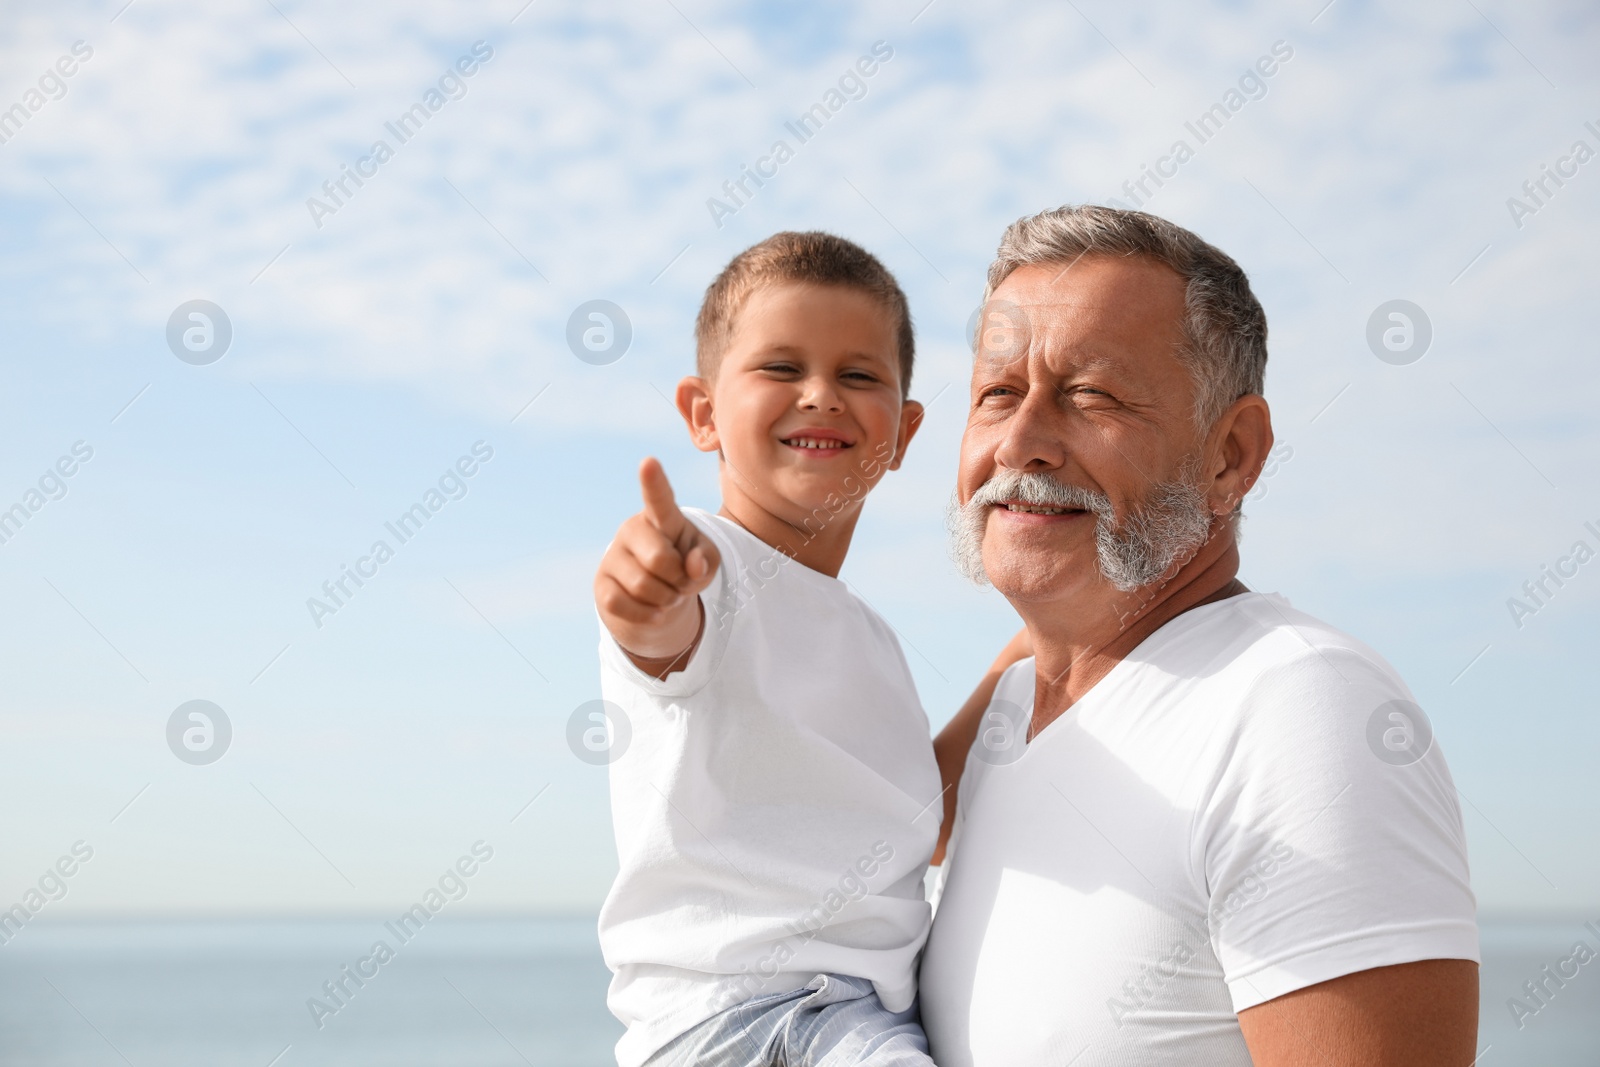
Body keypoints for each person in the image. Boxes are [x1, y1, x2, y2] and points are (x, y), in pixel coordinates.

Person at [918, 205, 1480, 1066]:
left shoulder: (1303, 711)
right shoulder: (1004, 716)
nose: (1021, 442)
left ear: (1231, 455)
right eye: (997, 393)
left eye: (1091, 396)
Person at [593, 232, 943, 1067]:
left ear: (903, 431)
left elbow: (924, 809)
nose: (821, 394)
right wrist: (646, 595)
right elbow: (663, 640)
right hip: (742, 1020)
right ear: (704, 413)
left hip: (849, 1018)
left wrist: (1040, 654)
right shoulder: (706, 564)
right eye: (781, 368)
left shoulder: (874, 640)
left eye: (858, 375)